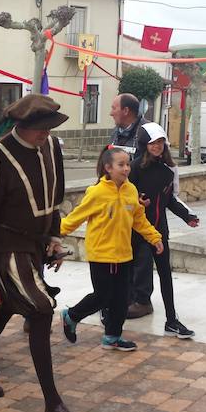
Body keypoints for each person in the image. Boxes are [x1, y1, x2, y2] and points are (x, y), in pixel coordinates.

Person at [0, 94, 88, 412]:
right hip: (4, 247)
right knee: (41, 307)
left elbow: (53, 200)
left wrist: (54, 239)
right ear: (22, 126)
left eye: (49, 128)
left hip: (34, 245)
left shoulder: (51, 147)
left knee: (7, 306)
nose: (45, 134)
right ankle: (53, 407)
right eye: (39, 129)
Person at [59, 148, 163, 351]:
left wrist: (154, 237)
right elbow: (75, 217)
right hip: (101, 255)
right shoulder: (96, 193)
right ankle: (71, 315)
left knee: (122, 298)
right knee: (103, 296)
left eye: (128, 164)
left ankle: (112, 337)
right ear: (108, 168)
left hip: (124, 255)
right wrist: (54, 234)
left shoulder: (131, 190)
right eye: (121, 165)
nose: (126, 168)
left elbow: (139, 219)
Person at [128, 122, 200, 338]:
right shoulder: (134, 168)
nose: (157, 146)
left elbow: (169, 200)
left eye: (160, 142)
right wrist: (138, 202)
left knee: (165, 275)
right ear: (144, 144)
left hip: (159, 231)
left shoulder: (169, 170)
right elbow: (125, 197)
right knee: (132, 271)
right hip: (138, 231)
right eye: (153, 142)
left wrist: (187, 216)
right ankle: (117, 307)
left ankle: (171, 319)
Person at [109, 93, 150, 160]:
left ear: (126, 111)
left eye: (114, 108)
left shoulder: (148, 132)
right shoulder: (115, 132)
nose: (111, 113)